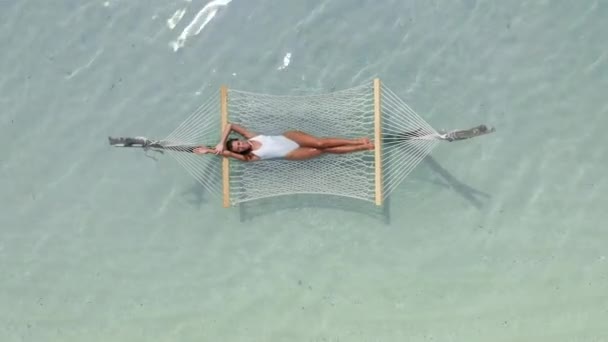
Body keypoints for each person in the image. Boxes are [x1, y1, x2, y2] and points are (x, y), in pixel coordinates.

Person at [193, 123, 374, 162]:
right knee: (326, 151)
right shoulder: (251, 157)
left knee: (320, 143)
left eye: (238, 143)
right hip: (291, 154)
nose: (241, 146)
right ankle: (362, 148)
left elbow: (230, 125)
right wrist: (210, 151)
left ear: (240, 140)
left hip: (290, 137)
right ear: (240, 152)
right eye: (238, 148)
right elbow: (227, 153)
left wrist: (220, 142)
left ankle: (357, 140)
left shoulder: (251, 136)